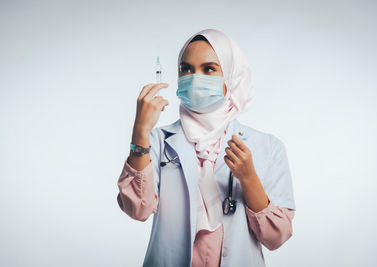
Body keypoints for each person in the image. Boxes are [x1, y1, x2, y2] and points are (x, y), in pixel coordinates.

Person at [116, 29, 296, 267]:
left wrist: (249, 178)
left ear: (230, 76)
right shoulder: (158, 141)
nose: (194, 78)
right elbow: (136, 209)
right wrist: (140, 130)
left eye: (209, 69)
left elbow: (276, 237)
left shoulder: (267, 147)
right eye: (186, 69)